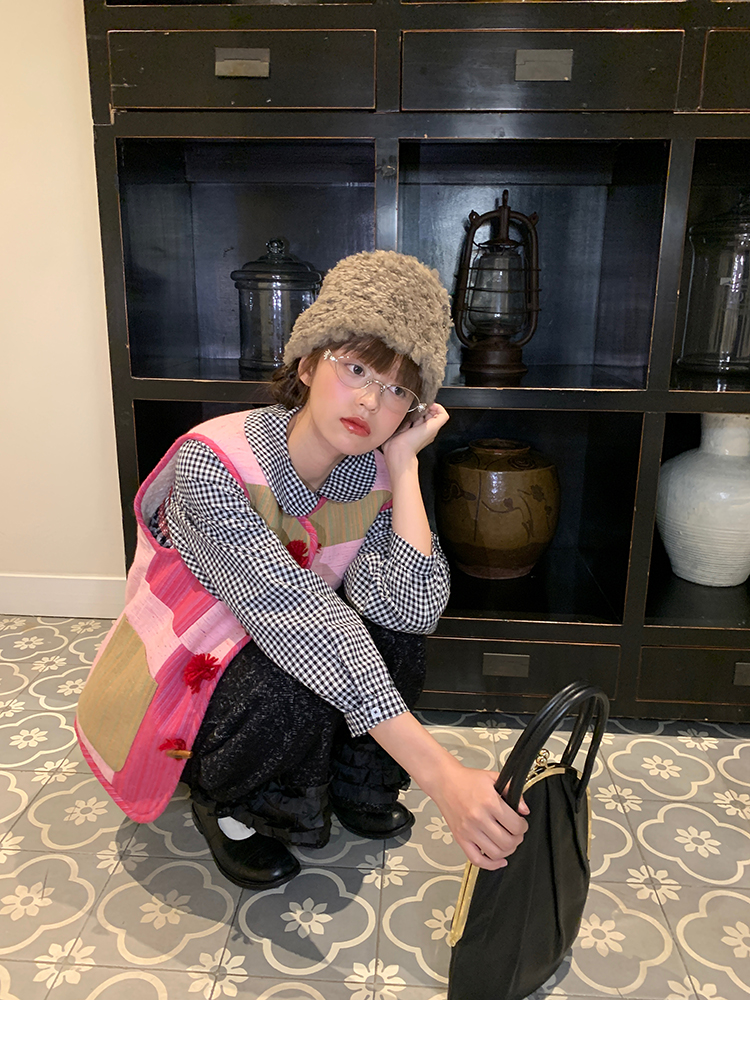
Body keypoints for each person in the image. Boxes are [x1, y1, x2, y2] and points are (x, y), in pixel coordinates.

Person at [76, 250, 528, 890]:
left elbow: (412, 609)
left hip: (271, 648)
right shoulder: (215, 461)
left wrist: (404, 467)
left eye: (399, 389)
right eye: (356, 368)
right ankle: (225, 804)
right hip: (184, 670)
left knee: (391, 632)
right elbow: (295, 618)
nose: (370, 400)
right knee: (289, 673)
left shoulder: (369, 472)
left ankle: (353, 778)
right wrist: (442, 775)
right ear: (310, 363)